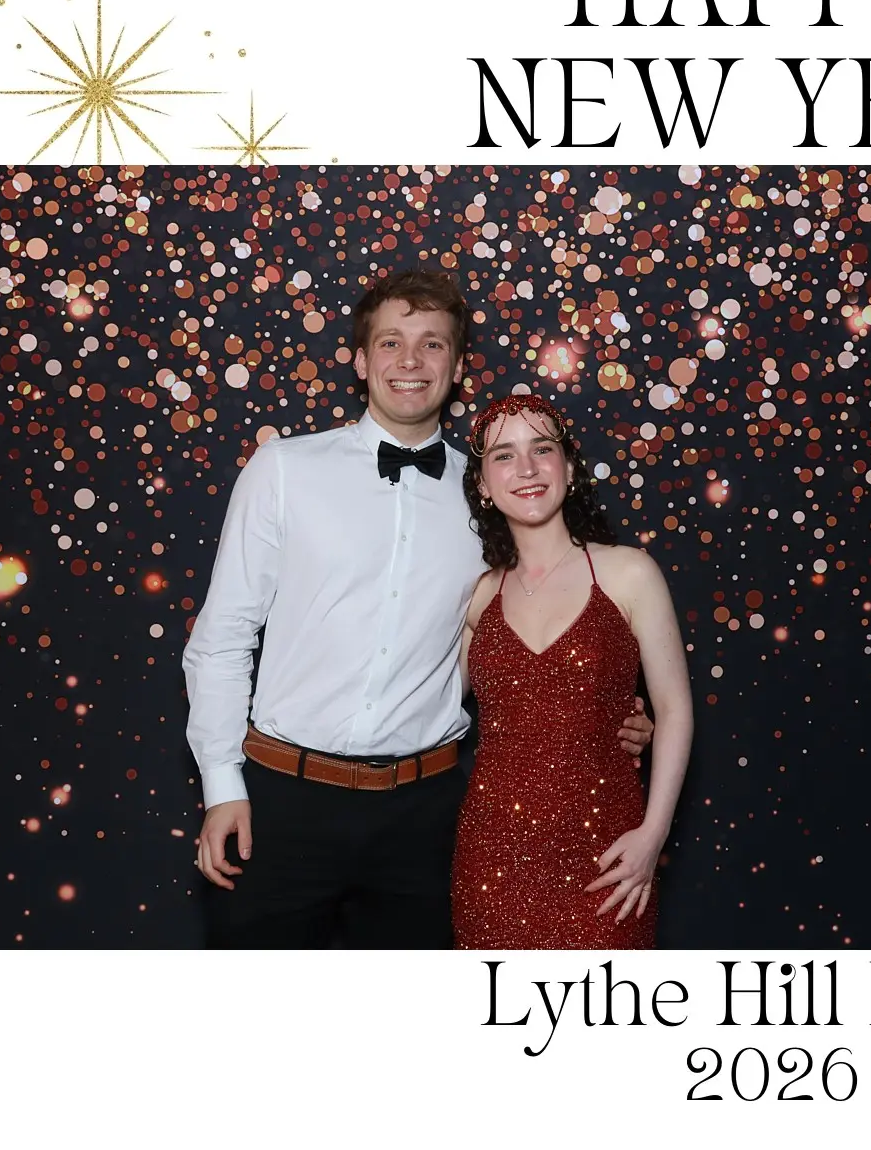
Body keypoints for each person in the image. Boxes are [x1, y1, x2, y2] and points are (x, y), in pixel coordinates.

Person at [182, 269, 652, 949]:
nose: (410, 361)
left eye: (432, 345)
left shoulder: (491, 497)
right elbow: (222, 640)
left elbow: (532, 628)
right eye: (391, 342)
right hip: (281, 802)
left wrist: (613, 711)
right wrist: (223, 783)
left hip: (426, 816)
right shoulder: (283, 470)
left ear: (458, 368)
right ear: (359, 360)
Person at [452, 392, 693, 949]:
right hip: (492, 859)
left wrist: (653, 836)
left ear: (569, 465)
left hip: (610, 856)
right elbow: (424, 706)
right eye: (504, 455)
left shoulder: (629, 572)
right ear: (484, 486)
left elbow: (676, 710)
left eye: (543, 448)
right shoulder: (477, 596)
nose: (528, 468)